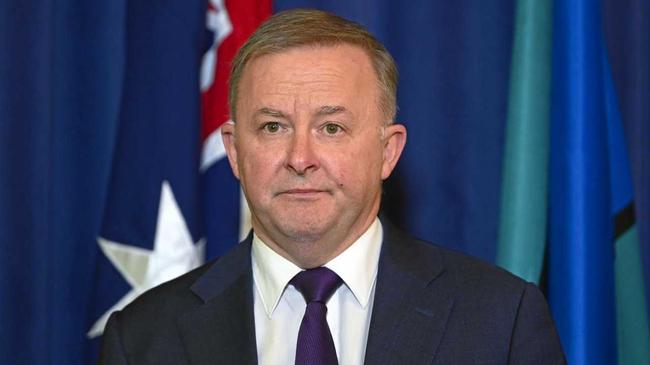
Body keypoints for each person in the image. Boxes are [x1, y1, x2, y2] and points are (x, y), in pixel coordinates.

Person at [99, 9, 565, 365]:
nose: (300, 159)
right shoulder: (142, 337)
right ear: (235, 151)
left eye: (332, 128)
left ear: (388, 151)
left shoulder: (500, 321)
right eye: (273, 127)